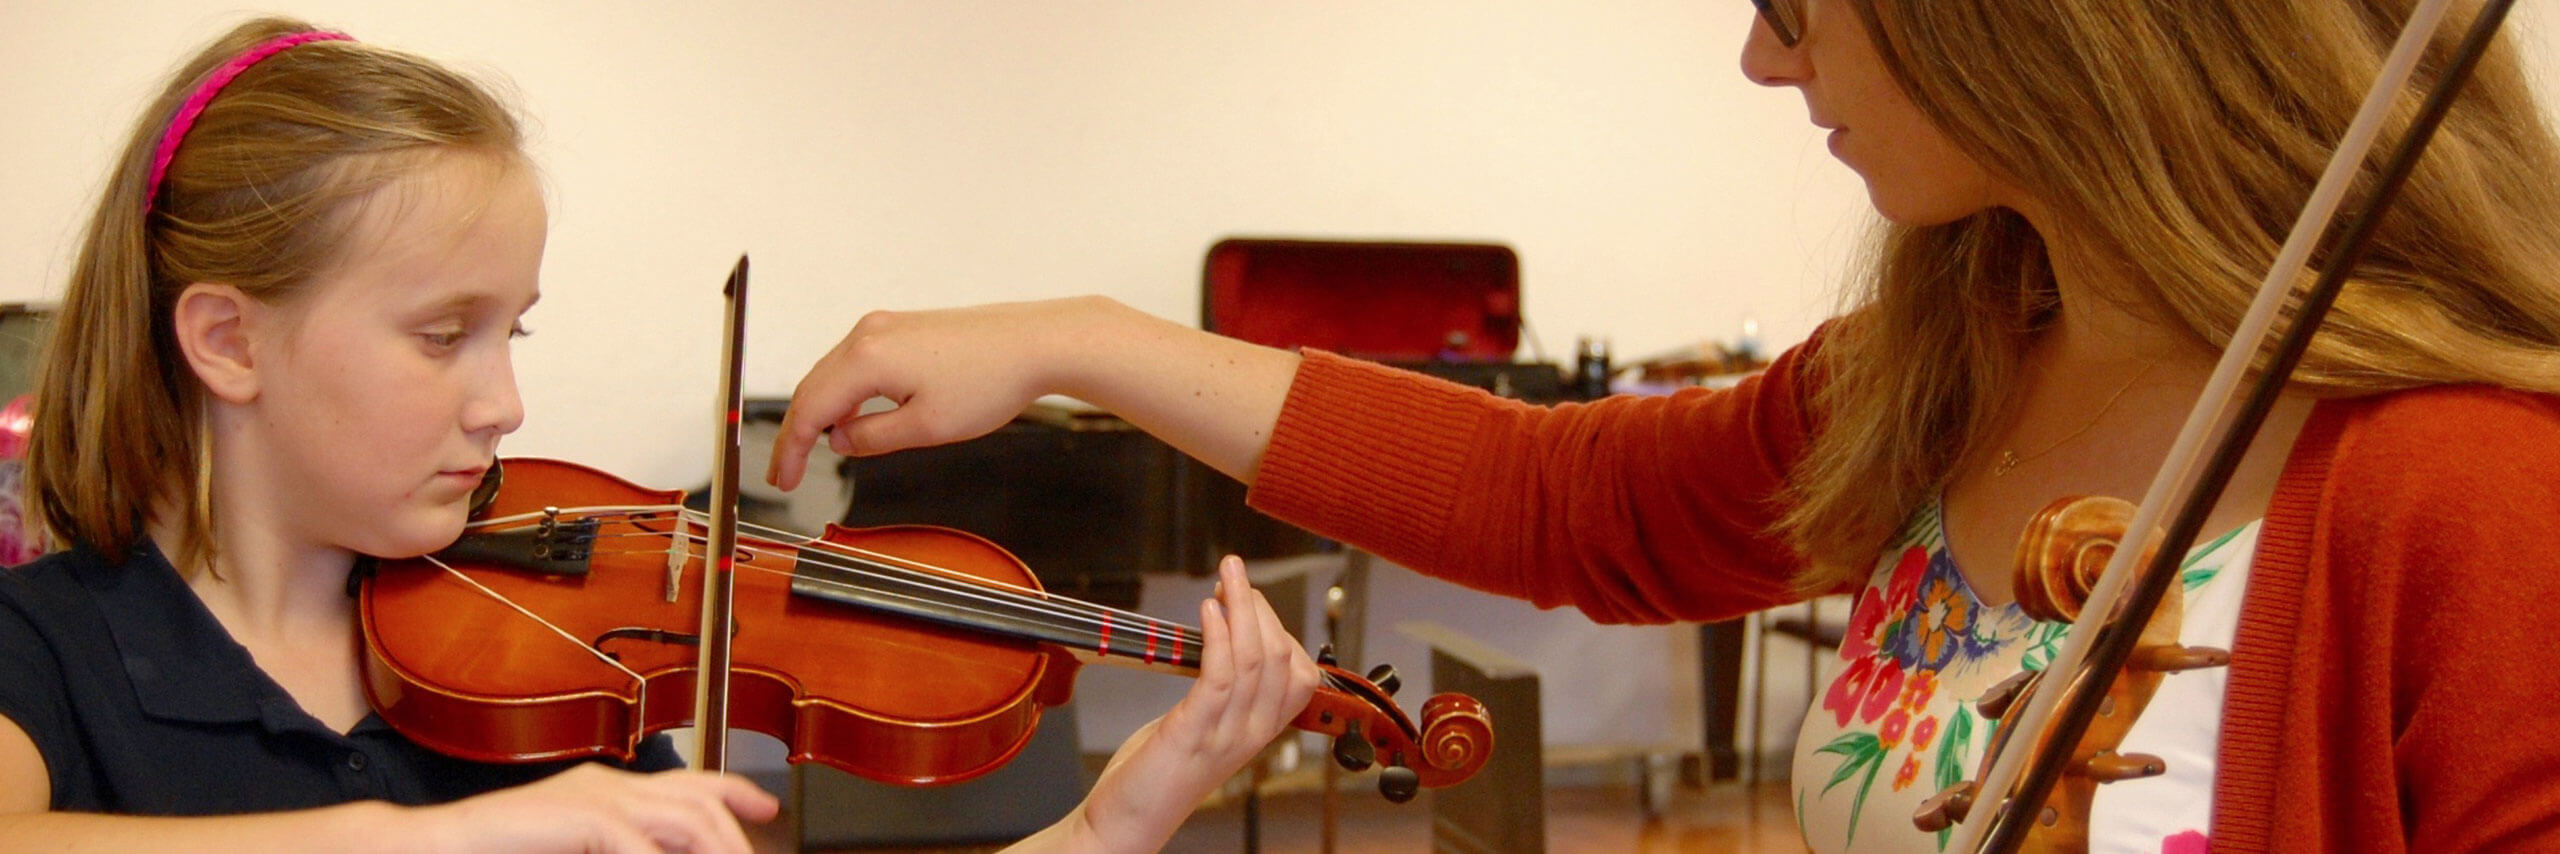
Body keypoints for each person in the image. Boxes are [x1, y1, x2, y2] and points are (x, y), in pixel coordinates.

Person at [766, 1, 2560, 851]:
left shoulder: (2474, 486)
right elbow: (1564, 498)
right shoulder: (1961, 359)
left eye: (1796, 5)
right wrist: (1083, 338)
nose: (1764, 65)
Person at [0, 17, 1318, 854]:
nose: (502, 404)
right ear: (228, 341)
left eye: (509, 333)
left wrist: (1113, 816)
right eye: (440, 331)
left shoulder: (551, 657)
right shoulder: (48, 649)